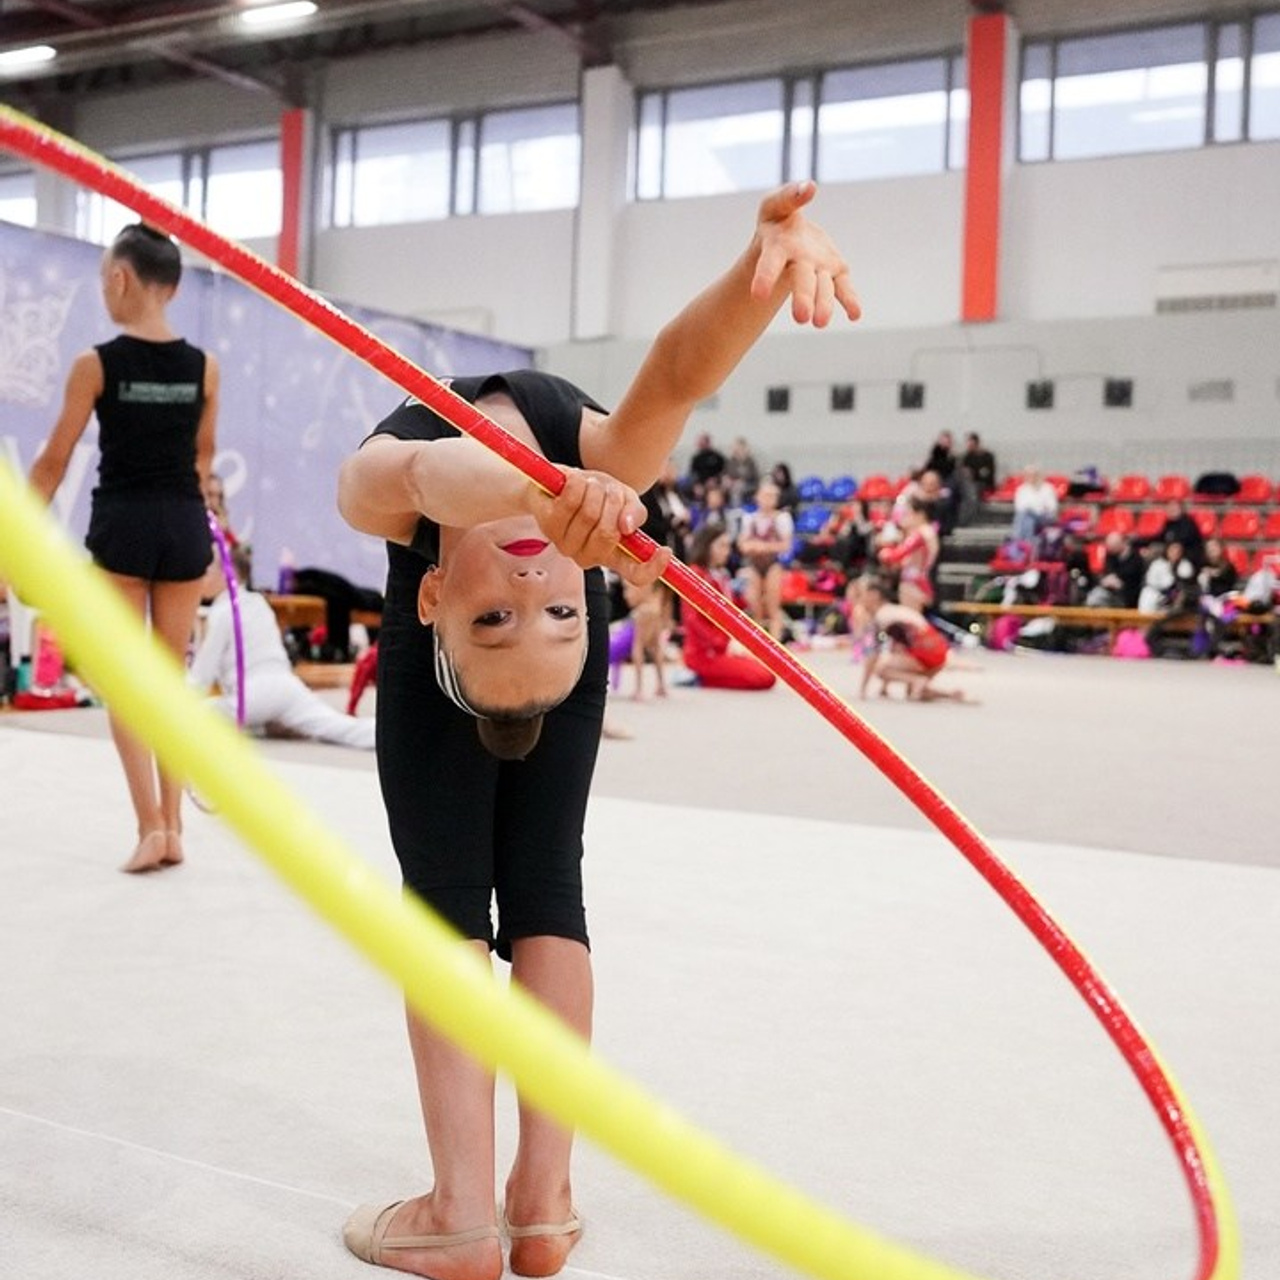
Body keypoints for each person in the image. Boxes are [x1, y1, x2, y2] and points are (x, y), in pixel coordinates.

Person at [334, 181, 858, 1280]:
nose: (530, 588)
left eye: (513, 614)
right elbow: (678, 373)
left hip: (469, 645)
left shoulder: (386, 489)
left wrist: (546, 487)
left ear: (434, 601)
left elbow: (431, 473)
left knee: (501, 897)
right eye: (543, 610)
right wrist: (758, 272)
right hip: (511, 622)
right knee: (494, 900)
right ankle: (507, 1207)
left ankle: (508, 1205)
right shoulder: (595, 485)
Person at [26, 222, 219, 874]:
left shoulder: (97, 363)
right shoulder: (204, 367)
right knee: (169, 682)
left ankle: (151, 828)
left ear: (120, 278)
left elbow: (53, 462)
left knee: (125, 685)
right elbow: (202, 464)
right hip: (183, 526)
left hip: (125, 528)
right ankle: (176, 827)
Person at [189, 546, 375, 748]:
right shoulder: (259, 602)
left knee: (191, 713)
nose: (202, 572)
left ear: (228, 572)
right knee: (339, 726)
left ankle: (261, 721)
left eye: (208, 567)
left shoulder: (222, 611)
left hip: (253, 694)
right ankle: (386, 734)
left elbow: (202, 677)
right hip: (286, 686)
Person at [681, 525, 775, 690]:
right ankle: (700, 677)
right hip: (705, 651)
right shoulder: (695, 574)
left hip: (720, 647)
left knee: (768, 673)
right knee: (762, 678)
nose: (727, 551)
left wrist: (745, 599)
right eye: (722, 546)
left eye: (728, 546)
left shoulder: (720, 575)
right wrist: (723, 643)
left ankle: (702, 678)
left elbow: (728, 610)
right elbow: (693, 619)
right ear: (707, 546)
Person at [853, 576, 968, 702]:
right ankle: (951, 695)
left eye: (861, 595)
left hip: (925, 653)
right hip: (938, 653)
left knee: (880, 668)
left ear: (874, 595)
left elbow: (874, 654)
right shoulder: (896, 611)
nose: (859, 600)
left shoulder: (882, 616)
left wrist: (862, 689)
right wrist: (884, 688)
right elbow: (897, 648)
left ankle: (917, 680)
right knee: (913, 691)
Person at [736, 478, 796, 641]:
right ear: (757, 497)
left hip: (772, 564)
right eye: (765, 495)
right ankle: (757, 642)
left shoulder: (782, 518)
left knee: (773, 606)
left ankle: (776, 641)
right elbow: (742, 544)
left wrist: (762, 546)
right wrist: (754, 546)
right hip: (754, 564)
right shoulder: (750, 518)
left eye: (772, 496)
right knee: (755, 605)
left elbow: (786, 545)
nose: (768, 499)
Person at [876, 495, 938, 614]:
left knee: (912, 619)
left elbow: (899, 553)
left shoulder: (922, 533)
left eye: (908, 513)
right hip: (914, 578)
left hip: (915, 580)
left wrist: (886, 553)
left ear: (920, 514)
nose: (905, 517)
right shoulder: (924, 532)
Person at [1085, 531, 1145, 609]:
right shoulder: (1111, 555)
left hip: (1129, 593)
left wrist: (1118, 580)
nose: (1110, 549)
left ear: (1122, 543)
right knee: (1095, 596)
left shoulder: (1136, 558)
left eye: (1113, 546)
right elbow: (1107, 571)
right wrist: (1107, 580)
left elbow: (1132, 577)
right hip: (1111, 590)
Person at [1011, 465, 1058, 545]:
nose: (1031, 477)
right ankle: (1027, 543)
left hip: (1045, 516)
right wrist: (1033, 508)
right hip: (1027, 516)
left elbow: (1052, 507)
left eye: (1033, 475)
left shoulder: (1048, 488)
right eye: (1028, 475)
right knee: (1028, 518)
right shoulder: (1021, 489)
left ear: (1039, 475)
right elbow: (1019, 508)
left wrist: (1033, 509)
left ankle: (1018, 542)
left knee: (1025, 515)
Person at [723, 435, 760, 506]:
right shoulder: (730, 461)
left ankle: (737, 509)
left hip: (750, 485)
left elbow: (754, 478)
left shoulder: (750, 462)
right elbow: (725, 474)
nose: (735, 450)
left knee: (737, 487)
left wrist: (741, 480)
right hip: (733, 484)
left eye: (738, 448)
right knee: (728, 486)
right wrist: (726, 479)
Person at [960, 431, 996, 496]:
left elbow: (987, 474)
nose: (968, 446)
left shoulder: (988, 456)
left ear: (976, 444)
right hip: (970, 483)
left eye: (970, 444)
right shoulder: (967, 457)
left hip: (984, 484)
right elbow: (964, 472)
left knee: (974, 488)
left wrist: (974, 473)